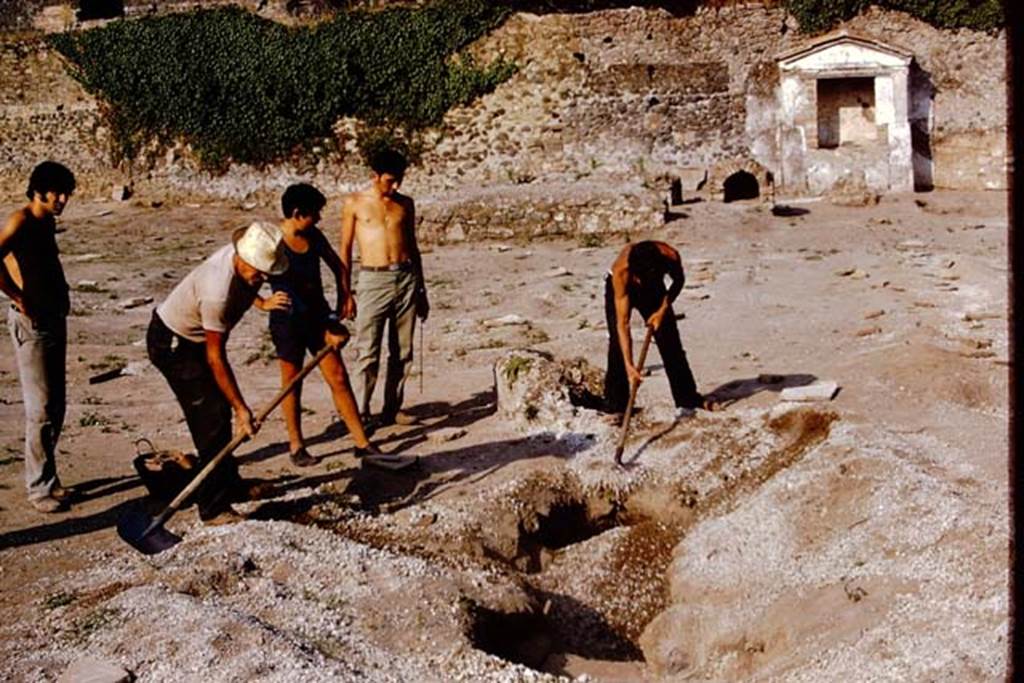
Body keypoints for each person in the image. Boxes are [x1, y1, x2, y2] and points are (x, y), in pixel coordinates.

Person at [147, 221, 299, 524]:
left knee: (218, 415)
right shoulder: (216, 291)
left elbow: (245, 285)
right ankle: (213, 507)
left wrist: (262, 303)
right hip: (175, 344)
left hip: (197, 340)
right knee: (211, 417)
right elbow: (216, 357)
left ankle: (228, 485)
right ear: (242, 258)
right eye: (258, 271)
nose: (261, 278)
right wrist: (242, 408)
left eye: (265, 274)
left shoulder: (243, 263)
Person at [266, 183, 382, 466]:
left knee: (338, 377)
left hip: (317, 317)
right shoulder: (271, 242)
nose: (318, 218)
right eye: (314, 213)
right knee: (292, 383)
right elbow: (243, 279)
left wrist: (345, 296)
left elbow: (337, 264)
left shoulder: (314, 236)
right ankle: (296, 445)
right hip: (287, 323)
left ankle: (361, 442)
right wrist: (262, 303)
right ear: (296, 213)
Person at [0, 161, 76, 513]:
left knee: (57, 404)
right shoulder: (22, 221)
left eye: (66, 193)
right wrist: (16, 295)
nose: (62, 199)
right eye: (57, 193)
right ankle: (38, 488)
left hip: (53, 318)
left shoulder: (47, 222)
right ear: (39, 191)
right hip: (30, 324)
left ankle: (49, 477)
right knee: (41, 407)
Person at [340, 148, 429, 428]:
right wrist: (345, 293)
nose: (396, 186)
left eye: (399, 180)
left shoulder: (406, 204)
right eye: (390, 180)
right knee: (367, 349)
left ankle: (392, 408)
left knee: (402, 350)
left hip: (405, 278)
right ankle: (361, 413)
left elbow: (413, 247)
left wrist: (422, 289)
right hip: (372, 279)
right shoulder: (355, 203)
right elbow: (344, 249)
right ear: (374, 176)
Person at [604, 240, 713, 421]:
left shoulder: (671, 256)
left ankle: (687, 399)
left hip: (654, 289)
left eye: (641, 279)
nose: (638, 281)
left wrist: (662, 311)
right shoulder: (621, 271)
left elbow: (678, 281)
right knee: (617, 344)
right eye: (637, 278)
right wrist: (630, 366)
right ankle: (616, 405)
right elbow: (623, 324)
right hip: (622, 289)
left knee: (669, 340)